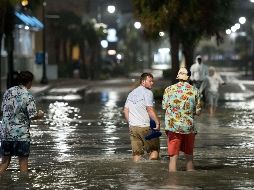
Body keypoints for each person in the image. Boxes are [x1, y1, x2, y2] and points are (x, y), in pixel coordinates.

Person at [0, 71, 44, 174]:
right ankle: (24, 185)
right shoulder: (28, 96)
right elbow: (33, 115)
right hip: (21, 136)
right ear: (29, 82)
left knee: (4, 163)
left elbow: (3, 110)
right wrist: (40, 115)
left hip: (6, 134)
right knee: (23, 163)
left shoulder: (8, 92)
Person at [162, 67, 201, 172]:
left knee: (173, 160)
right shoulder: (195, 90)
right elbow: (198, 112)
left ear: (178, 76)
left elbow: (164, 107)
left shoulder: (168, 89)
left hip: (173, 127)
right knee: (189, 159)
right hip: (189, 128)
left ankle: (172, 184)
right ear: (189, 77)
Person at [123, 73, 161, 162]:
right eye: (150, 81)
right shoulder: (148, 92)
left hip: (133, 128)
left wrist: (131, 123)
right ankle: (152, 174)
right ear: (143, 82)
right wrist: (157, 122)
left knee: (137, 154)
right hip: (146, 127)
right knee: (154, 150)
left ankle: (136, 173)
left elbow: (125, 110)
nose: (152, 83)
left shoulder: (131, 93)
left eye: (152, 81)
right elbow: (150, 109)